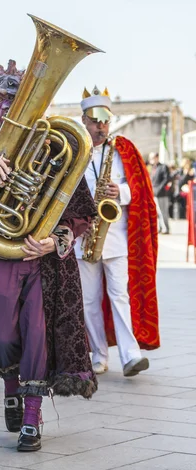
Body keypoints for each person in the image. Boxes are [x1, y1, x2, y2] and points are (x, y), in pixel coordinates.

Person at [0, 60, 98, 452]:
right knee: (1, 334)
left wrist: (57, 239)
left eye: (17, 97)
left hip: (43, 259)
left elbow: (82, 208)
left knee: (37, 335)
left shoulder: (55, 138)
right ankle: (11, 392)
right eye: (1, 98)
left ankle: (32, 417)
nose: (8, 105)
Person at [76, 86, 160, 377]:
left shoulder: (122, 149)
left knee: (119, 295)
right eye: (95, 120)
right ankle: (98, 354)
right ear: (84, 121)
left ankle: (130, 354)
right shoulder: (75, 151)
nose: (101, 126)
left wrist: (120, 191)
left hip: (116, 235)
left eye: (105, 120)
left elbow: (140, 188)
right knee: (88, 300)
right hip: (84, 236)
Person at [149, 152, 172, 234]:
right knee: (157, 212)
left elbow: (166, 179)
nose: (151, 160)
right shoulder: (153, 168)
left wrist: (159, 189)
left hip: (161, 193)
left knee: (163, 212)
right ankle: (160, 227)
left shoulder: (163, 167)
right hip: (154, 193)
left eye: (152, 158)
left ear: (157, 157)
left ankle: (166, 228)